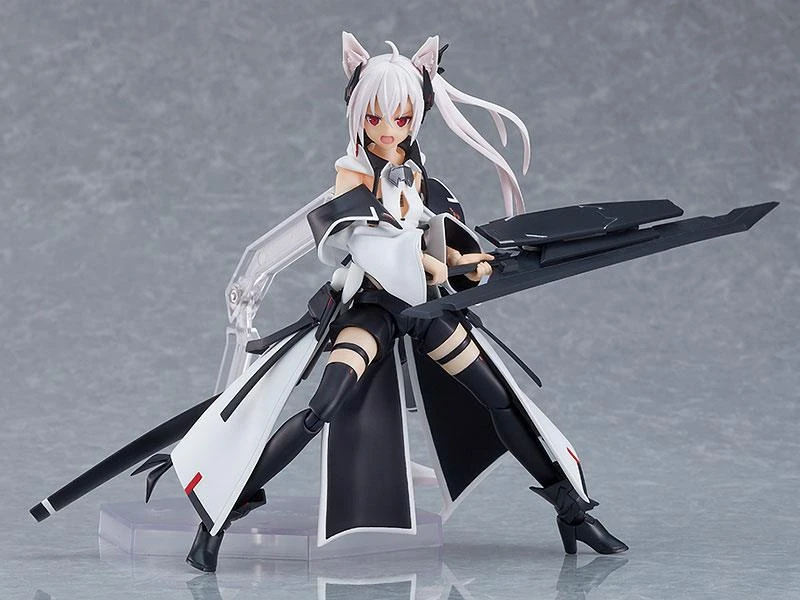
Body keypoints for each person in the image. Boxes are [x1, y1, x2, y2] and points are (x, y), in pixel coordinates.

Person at [180, 32, 628, 572]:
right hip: (370, 308)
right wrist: (421, 261)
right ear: (358, 113)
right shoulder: (352, 173)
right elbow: (359, 236)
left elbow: (432, 229)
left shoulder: (415, 172)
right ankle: (219, 517)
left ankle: (571, 510)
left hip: (421, 311)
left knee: (500, 397)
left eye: (401, 117)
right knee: (322, 407)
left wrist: (464, 261)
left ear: (417, 113)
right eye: (376, 117)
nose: (389, 128)